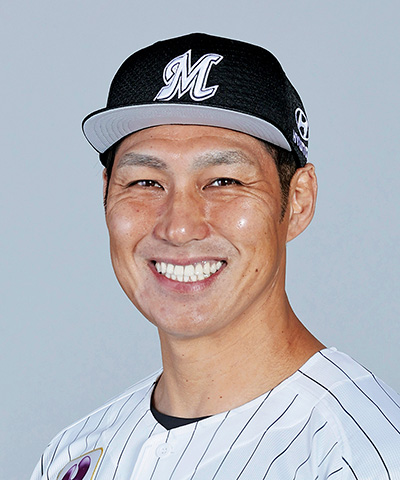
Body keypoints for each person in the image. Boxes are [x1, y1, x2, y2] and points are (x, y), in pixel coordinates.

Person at [31, 33, 400, 480]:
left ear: (298, 201)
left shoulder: (358, 455)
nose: (178, 227)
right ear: (106, 193)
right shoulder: (73, 454)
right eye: (145, 182)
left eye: (224, 181)